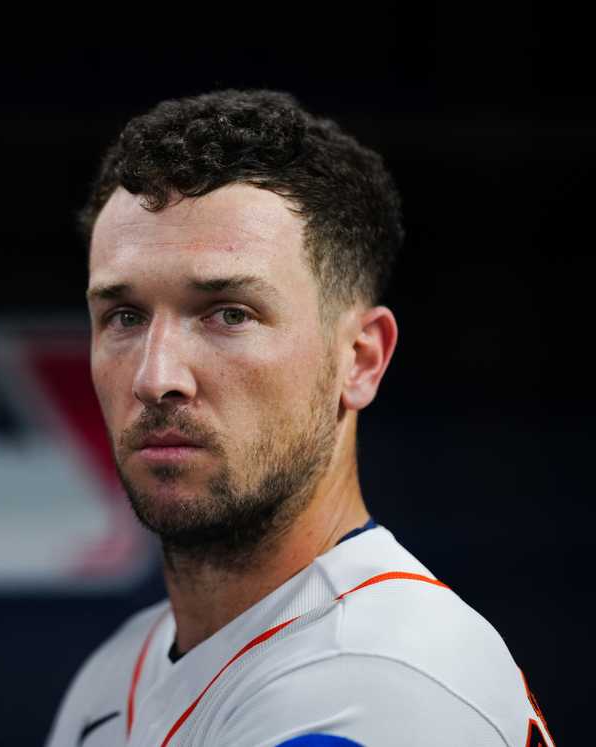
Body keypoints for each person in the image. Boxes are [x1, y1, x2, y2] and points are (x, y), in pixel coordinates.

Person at [45, 90, 553, 747]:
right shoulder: (113, 677)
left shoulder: (376, 685)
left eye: (229, 312)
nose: (154, 377)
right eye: (124, 316)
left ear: (360, 360)